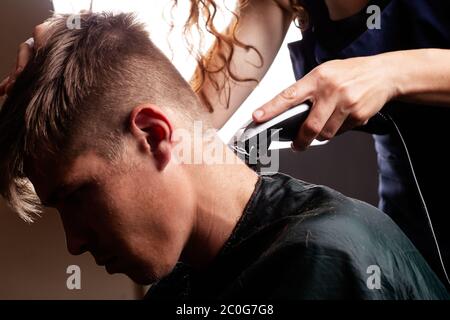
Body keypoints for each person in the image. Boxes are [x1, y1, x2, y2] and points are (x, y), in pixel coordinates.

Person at [0, 12, 448, 300]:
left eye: (77, 195)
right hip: (402, 216)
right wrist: (66, 59)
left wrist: (394, 71)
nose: (73, 244)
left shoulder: (325, 260)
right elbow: (187, 120)